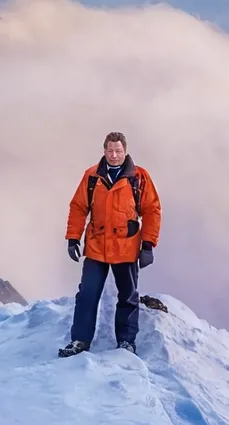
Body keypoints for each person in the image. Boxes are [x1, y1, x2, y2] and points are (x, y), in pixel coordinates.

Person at [59, 131, 161, 357]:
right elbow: (78, 207)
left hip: (126, 247)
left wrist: (148, 245)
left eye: (118, 151)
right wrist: (73, 237)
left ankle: (126, 342)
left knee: (128, 296)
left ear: (125, 151)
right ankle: (80, 341)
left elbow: (152, 210)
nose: (114, 155)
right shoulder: (92, 176)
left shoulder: (139, 177)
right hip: (97, 245)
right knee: (87, 294)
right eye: (110, 150)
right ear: (104, 151)